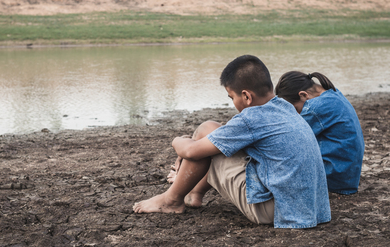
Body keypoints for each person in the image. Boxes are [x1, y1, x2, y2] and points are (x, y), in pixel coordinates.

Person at [133, 55, 331, 229]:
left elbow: (193, 152)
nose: (233, 103)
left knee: (205, 142)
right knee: (210, 130)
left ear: (246, 96)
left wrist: (178, 141)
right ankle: (193, 194)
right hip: (311, 208)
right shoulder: (284, 107)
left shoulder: (252, 118)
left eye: (231, 97)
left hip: (279, 211)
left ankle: (171, 200)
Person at [275, 71, 365, 195]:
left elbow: (288, 138)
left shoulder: (314, 108)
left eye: (295, 109)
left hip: (335, 178)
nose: (297, 114)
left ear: (303, 95)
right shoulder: (333, 93)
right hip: (348, 175)